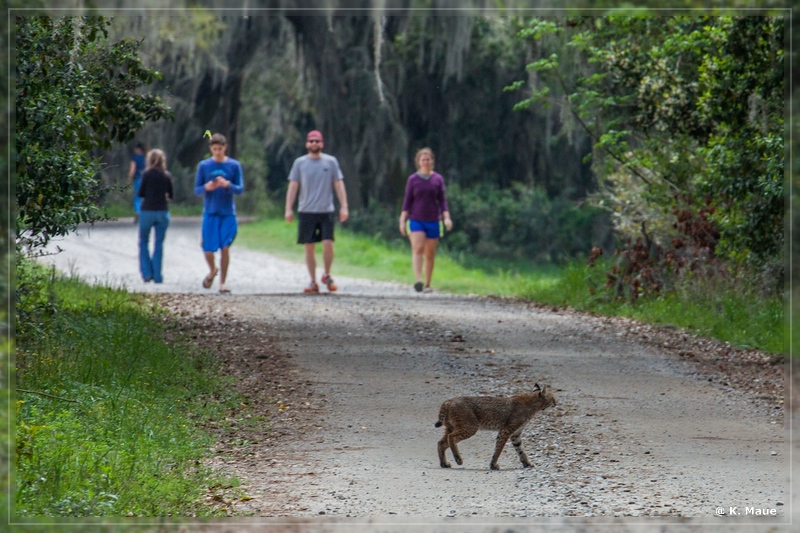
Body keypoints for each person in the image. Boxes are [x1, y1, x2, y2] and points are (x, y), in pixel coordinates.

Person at [285, 129, 349, 293]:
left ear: (322, 144)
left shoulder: (331, 162)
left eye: (317, 141)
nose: (314, 143)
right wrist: (288, 209)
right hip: (306, 210)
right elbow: (293, 186)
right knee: (309, 246)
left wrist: (344, 206)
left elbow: (338, 184)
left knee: (328, 243)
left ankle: (327, 274)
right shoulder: (300, 163)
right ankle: (313, 281)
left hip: (326, 210)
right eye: (311, 141)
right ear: (307, 144)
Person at [194, 133, 244, 293]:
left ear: (225, 147)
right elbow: (197, 189)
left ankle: (223, 282)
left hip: (227, 212)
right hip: (210, 211)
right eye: (214, 149)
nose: (217, 152)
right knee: (208, 248)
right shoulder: (204, 166)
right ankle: (212, 270)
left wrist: (228, 184)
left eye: (220, 149)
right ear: (210, 149)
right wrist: (206, 187)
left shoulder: (234, 166)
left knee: (225, 247)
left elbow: (240, 189)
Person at [398, 147, 453, 293]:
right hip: (416, 219)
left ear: (432, 161)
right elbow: (407, 201)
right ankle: (418, 280)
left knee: (430, 253)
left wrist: (447, 218)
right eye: (423, 159)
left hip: (433, 220)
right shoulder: (413, 179)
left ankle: (428, 283)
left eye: (428, 159)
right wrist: (402, 220)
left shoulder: (438, 179)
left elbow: (443, 201)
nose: (426, 162)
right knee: (418, 248)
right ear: (419, 162)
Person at [137, 149, 173, 283]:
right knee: (159, 243)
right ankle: (158, 276)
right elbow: (171, 194)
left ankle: (147, 274)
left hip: (147, 211)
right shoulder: (166, 175)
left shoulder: (146, 174)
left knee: (144, 242)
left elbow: (140, 193)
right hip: (162, 212)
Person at [128, 142, 146, 223]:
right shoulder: (145, 158)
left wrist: (129, 178)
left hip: (138, 179)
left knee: (137, 197)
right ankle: (144, 214)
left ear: (138, 149)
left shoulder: (135, 158)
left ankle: (138, 212)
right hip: (145, 179)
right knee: (144, 197)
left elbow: (132, 169)